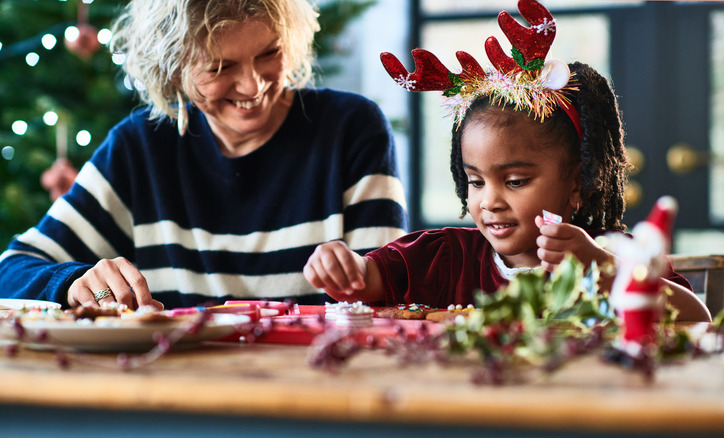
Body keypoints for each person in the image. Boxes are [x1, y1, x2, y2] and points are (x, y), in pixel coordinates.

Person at [303, 0, 711, 322]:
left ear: (578, 182)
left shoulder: (615, 255)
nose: (489, 201)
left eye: (515, 181)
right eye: (476, 182)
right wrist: (344, 271)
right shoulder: (444, 257)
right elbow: (368, 281)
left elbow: (696, 317)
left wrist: (602, 269)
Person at [0, 0, 408, 310]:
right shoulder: (140, 148)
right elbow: (11, 271)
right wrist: (75, 282)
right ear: (172, 69)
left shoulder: (351, 129)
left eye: (269, 53)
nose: (253, 86)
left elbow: (391, 293)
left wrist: (361, 278)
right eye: (220, 67)